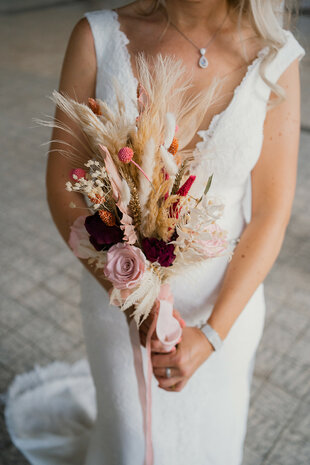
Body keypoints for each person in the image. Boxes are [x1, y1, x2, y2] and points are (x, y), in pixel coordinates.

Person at [4, 1, 305, 464]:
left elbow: (270, 213)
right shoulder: (97, 38)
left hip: (227, 307)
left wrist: (212, 334)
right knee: (130, 440)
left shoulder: (276, 56)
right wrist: (130, 293)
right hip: (117, 303)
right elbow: (62, 180)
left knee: (216, 438)